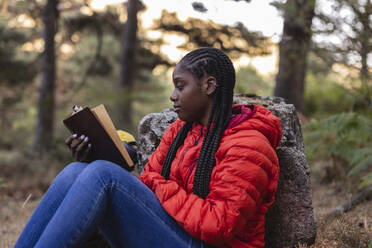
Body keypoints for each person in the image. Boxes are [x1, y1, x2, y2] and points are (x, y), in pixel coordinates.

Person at [15, 47, 282, 248]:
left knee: (103, 175)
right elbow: (148, 180)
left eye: (180, 86)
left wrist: (158, 186)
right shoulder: (181, 131)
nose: (173, 96)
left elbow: (219, 225)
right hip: (176, 233)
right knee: (77, 170)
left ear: (209, 85)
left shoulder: (248, 144)